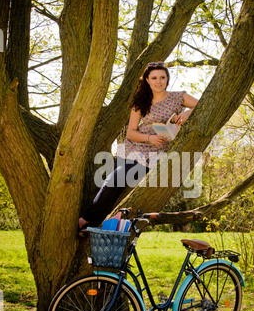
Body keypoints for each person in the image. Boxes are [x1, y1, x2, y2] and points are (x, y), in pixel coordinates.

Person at [78, 62, 198, 234]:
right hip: (136, 149)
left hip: (158, 154)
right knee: (114, 181)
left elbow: (200, 104)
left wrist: (186, 113)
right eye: (154, 78)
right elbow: (130, 133)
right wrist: (150, 138)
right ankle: (88, 221)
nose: (159, 82)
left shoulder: (179, 97)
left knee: (121, 183)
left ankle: (92, 223)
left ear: (167, 79)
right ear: (147, 80)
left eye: (162, 77)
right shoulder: (140, 101)